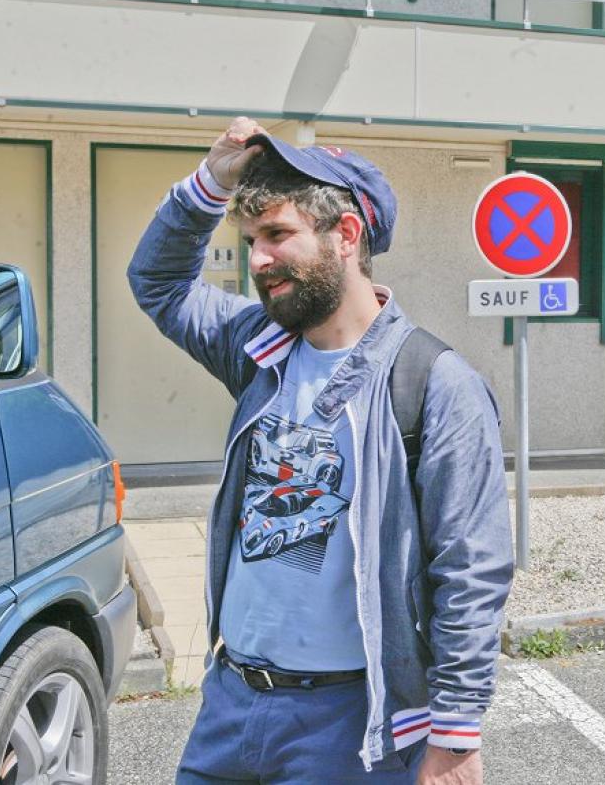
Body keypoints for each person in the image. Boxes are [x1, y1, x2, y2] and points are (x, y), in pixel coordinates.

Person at [128, 117, 513, 785]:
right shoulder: (258, 347)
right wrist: (209, 183)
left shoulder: (432, 382)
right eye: (251, 240)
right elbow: (158, 283)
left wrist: (455, 731)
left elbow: (470, 568)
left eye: (278, 235)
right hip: (230, 701)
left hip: (349, 725)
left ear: (346, 235)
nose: (257, 260)